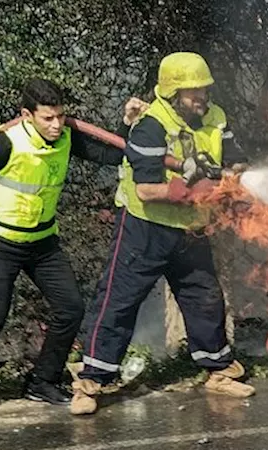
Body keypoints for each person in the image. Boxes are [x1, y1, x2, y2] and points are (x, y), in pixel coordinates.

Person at [0, 78, 147, 420]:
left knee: (71, 308)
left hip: (43, 241)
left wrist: (127, 125)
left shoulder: (66, 137)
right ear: (27, 115)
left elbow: (109, 154)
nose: (57, 125)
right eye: (48, 118)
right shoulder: (3, 143)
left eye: (61, 116)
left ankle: (41, 381)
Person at [72, 52, 254, 415]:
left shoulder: (216, 118)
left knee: (204, 298)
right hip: (145, 228)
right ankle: (90, 381)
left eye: (204, 89)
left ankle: (217, 370)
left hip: (191, 228)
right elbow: (145, 189)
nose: (201, 97)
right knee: (120, 300)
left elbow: (236, 158)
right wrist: (187, 191)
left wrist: (231, 176)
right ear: (173, 93)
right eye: (193, 92)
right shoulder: (151, 125)